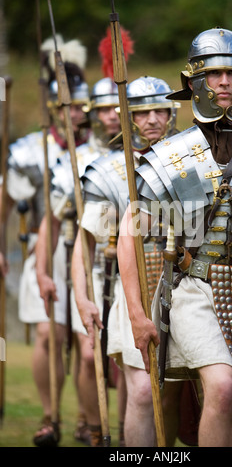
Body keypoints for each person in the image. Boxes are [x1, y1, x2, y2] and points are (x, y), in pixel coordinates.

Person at [117, 28, 232, 447]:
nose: (223, 82)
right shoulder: (170, 157)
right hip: (197, 288)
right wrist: (137, 315)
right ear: (194, 81)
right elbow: (130, 235)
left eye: (231, 73)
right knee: (220, 387)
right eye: (214, 73)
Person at [71, 76, 181, 447]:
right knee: (140, 392)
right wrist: (83, 298)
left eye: (159, 110)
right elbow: (87, 242)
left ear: (171, 113)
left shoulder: (188, 162)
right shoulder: (111, 173)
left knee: (173, 394)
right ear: (128, 118)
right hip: (132, 289)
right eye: (142, 112)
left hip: (184, 290)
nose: (152, 119)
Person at [0, 36, 90, 447]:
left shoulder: (103, 151)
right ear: (54, 108)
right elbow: (4, 203)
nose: (75, 115)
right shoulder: (28, 151)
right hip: (44, 246)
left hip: (91, 250)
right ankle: (49, 416)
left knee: (86, 337)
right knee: (45, 335)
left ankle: (90, 420)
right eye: (67, 107)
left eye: (80, 107)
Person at [35, 76, 124, 447]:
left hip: (137, 265)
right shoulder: (77, 159)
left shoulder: (148, 155)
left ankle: (127, 436)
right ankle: (93, 427)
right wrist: (41, 272)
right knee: (89, 355)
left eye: (117, 107)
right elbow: (52, 220)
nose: (112, 116)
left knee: (127, 362)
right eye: (103, 109)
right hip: (88, 264)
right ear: (93, 115)